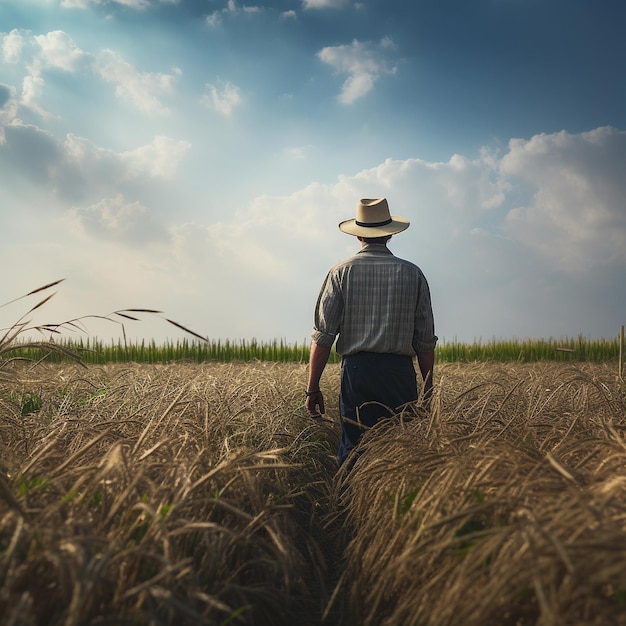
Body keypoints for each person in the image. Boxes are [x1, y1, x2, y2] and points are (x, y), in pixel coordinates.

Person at [305, 197, 437, 466]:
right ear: (389, 233)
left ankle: (348, 503)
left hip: (357, 373)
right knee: (401, 451)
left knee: (354, 447)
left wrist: (312, 388)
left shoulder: (340, 272)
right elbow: (424, 341)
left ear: (358, 236)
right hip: (400, 374)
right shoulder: (412, 273)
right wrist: (430, 390)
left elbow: (323, 336)